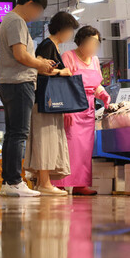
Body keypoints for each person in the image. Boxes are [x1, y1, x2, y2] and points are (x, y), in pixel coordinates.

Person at [0, 0, 55, 198]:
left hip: (11, 83)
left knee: (13, 133)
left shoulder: (10, 21)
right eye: (38, 10)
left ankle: (9, 182)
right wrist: (40, 64)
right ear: (30, 4)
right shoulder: (16, 21)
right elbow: (20, 55)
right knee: (18, 133)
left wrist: (39, 63)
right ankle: (13, 181)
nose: (37, 16)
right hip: (19, 83)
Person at [25, 11, 79, 196]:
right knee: (45, 141)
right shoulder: (48, 45)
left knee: (46, 140)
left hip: (47, 103)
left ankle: (43, 182)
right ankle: (45, 183)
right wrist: (61, 73)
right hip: (45, 102)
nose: (71, 35)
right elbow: (40, 69)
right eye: (70, 30)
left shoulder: (51, 46)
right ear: (63, 29)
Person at [52, 26, 111, 196]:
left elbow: (95, 84)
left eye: (96, 43)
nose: (93, 47)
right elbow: (63, 84)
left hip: (88, 111)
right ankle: (60, 184)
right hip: (72, 109)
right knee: (68, 148)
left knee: (85, 150)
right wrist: (66, 109)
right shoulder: (68, 57)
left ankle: (80, 184)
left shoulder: (94, 60)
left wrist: (103, 94)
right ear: (80, 42)